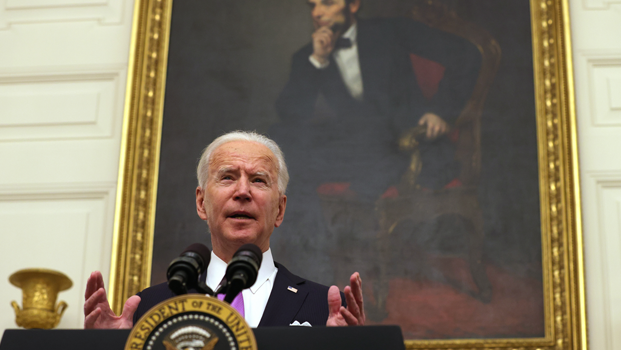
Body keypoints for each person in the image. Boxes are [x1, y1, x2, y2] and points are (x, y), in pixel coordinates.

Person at [83, 131, 365, 329]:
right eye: (227, 177)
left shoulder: (326, 308)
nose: (242, 191)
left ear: (279, 209)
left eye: (258, 180)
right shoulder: (150, 307)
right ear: (201, 202)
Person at [273, 0, 481, 198]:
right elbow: (290, 114)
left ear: (353, 4)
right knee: (280, 139)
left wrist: (439, 111)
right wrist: (317, 61)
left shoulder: (392, 30)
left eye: (327, 3)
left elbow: (466, 54)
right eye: (313, 5)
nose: (316, 13)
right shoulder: (308, 56)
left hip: (405, 142)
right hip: (355, 149)